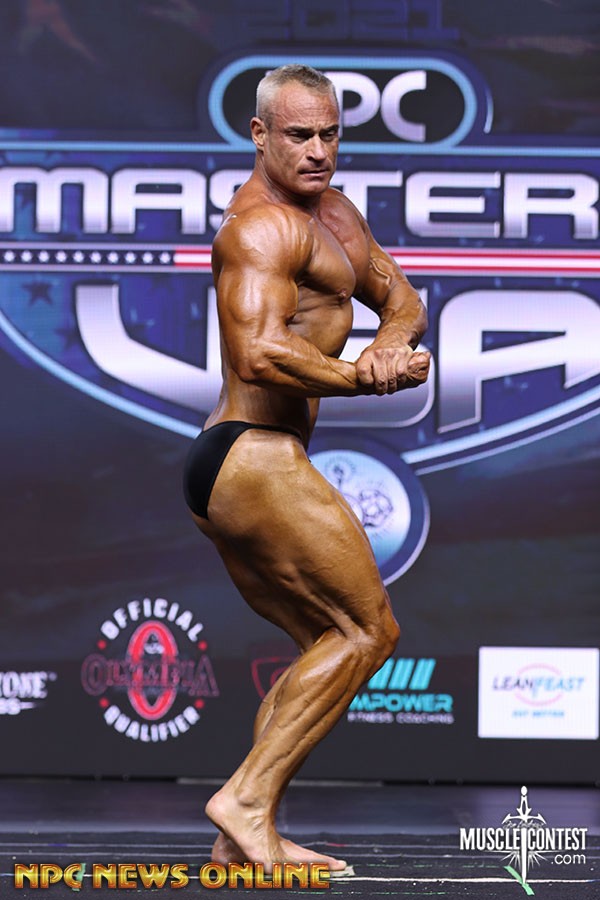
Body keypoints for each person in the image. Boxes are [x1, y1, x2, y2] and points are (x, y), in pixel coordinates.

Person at [183, 64, 430, 872]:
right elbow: (258, 353)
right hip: (250, 454)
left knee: (328, 642)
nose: (318, 150)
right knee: (369, 630)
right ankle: (245, 800)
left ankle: (240, 836)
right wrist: (362, 377)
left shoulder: (338, 216)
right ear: (259, 135)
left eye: (330, 134)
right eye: (299, 135)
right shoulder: (257, 230)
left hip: (245, 461)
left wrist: (389, 342)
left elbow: (402, 299)